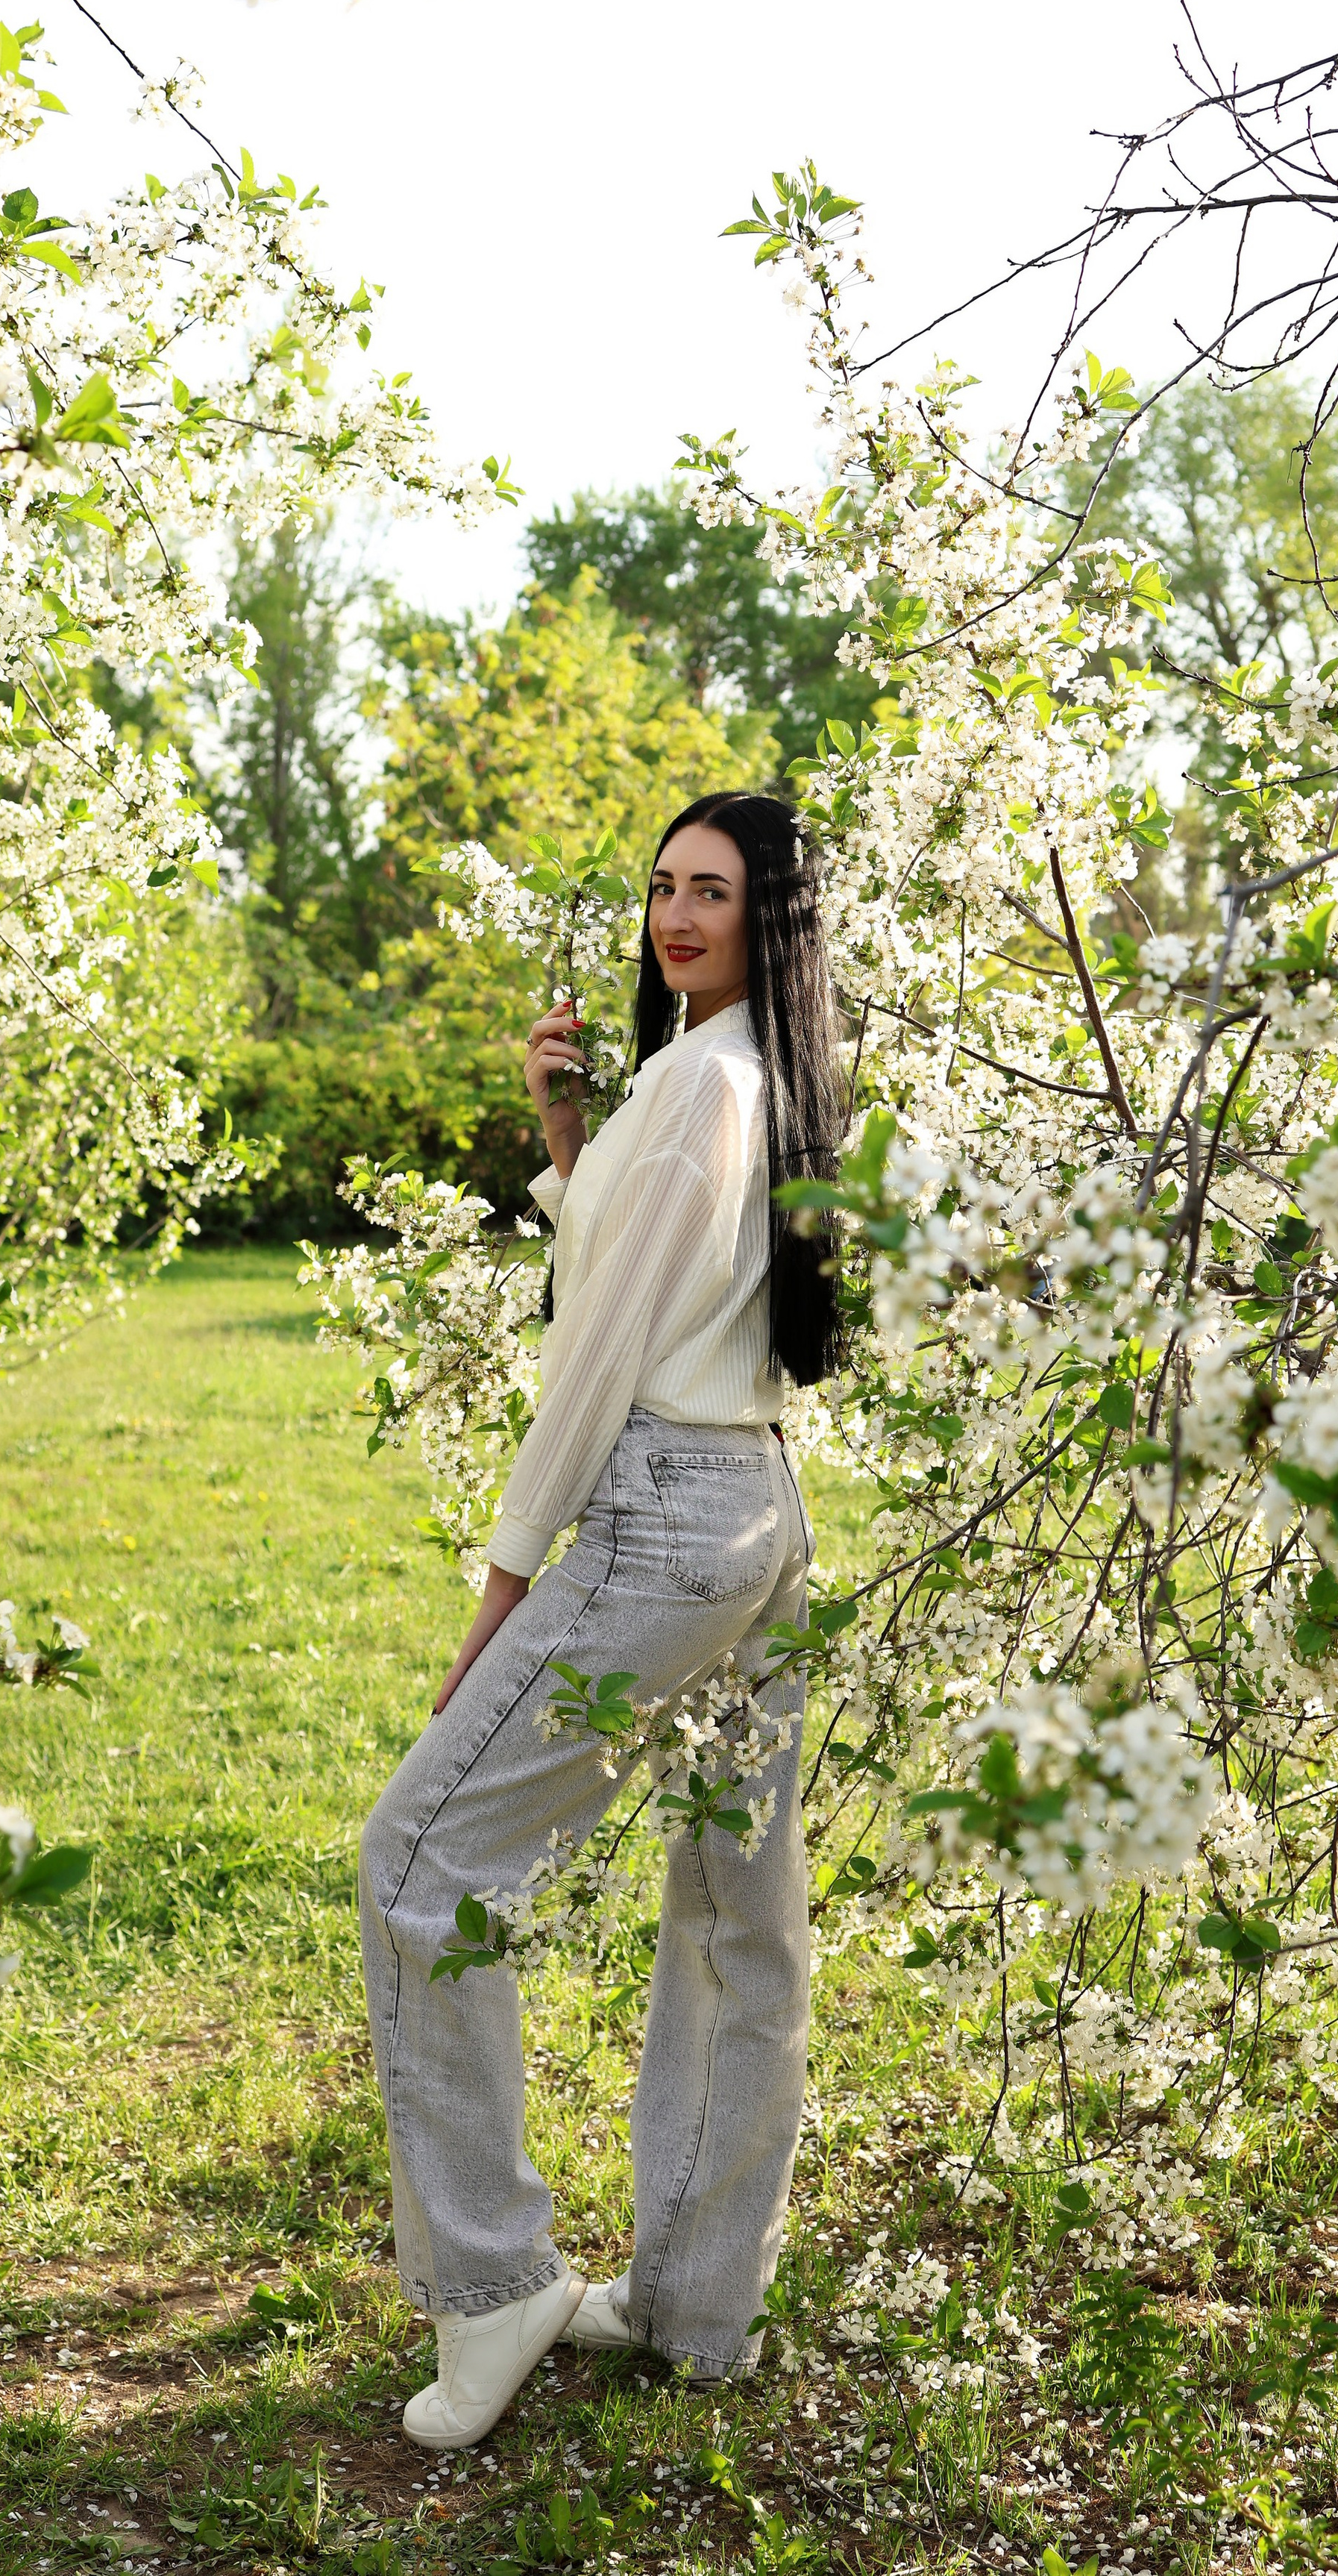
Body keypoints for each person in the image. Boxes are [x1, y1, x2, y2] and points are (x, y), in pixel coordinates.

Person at [359, 791, 845, 2449]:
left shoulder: (706, 1081)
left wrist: (506, 1581)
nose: (675, 915)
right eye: (662, 886)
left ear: (772, 916)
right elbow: (647, 1275)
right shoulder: (743, 1072)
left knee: (419, 1861)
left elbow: (597, 1355)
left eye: (713, 890)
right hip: (757, 1505)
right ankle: (696, 2307)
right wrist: (569, 1141)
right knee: (736, 1912)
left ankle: (493, 2283)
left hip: (663, 1510)